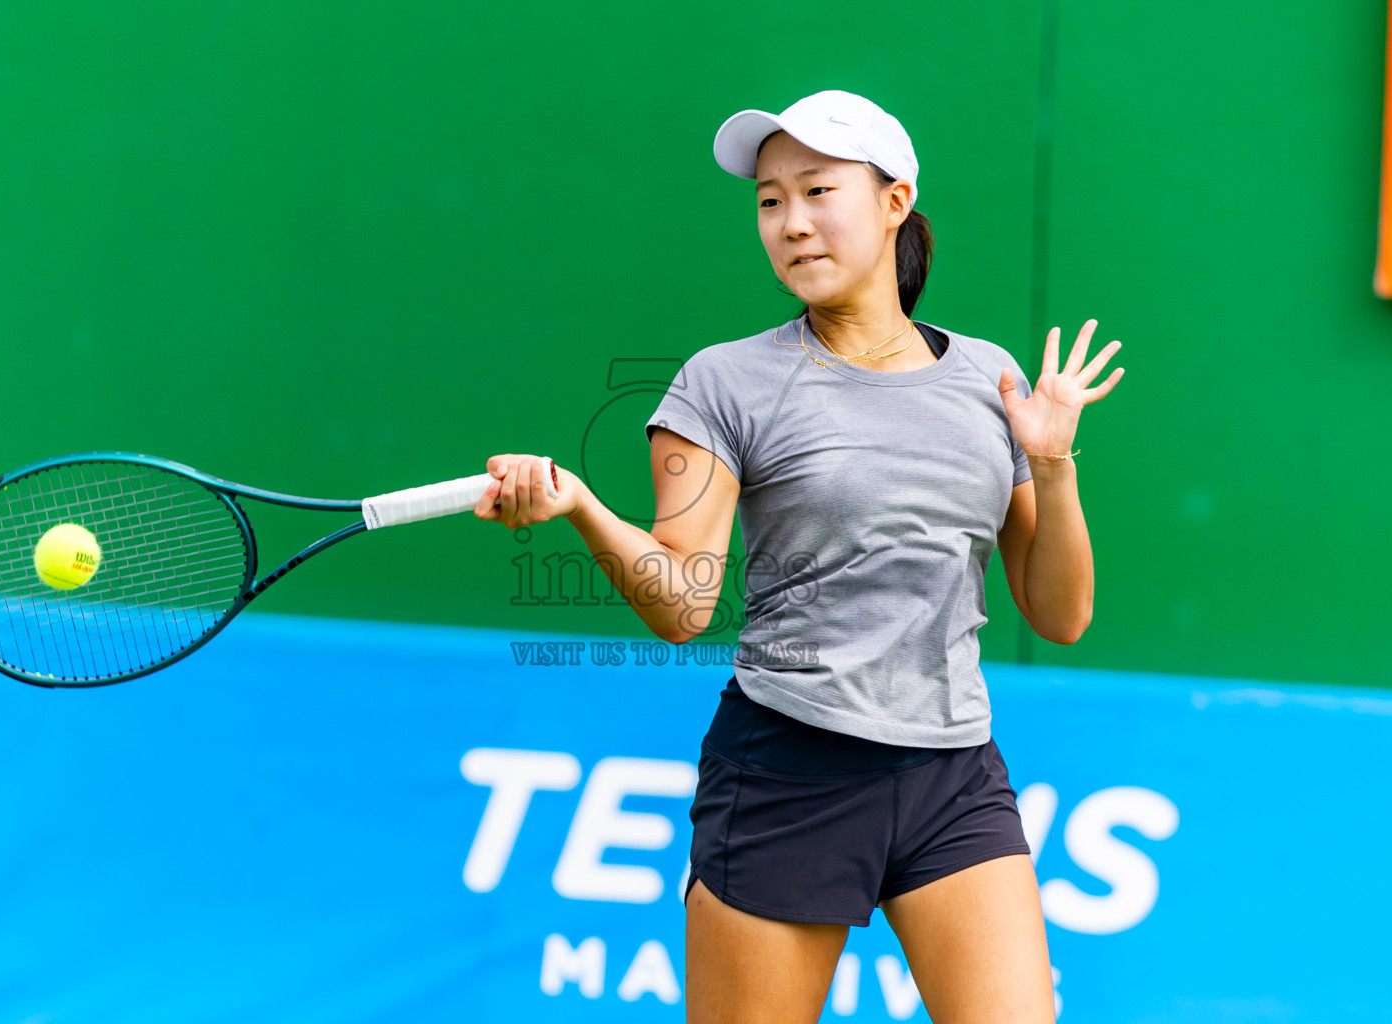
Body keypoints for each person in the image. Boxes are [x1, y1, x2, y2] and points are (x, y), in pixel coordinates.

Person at [475, 88, 1123, 1024]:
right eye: (770, 201)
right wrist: (579, 506)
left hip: (954, 775)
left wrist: (1052, 464)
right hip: (787, 773)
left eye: (818, 191)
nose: (791, 223)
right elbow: (682, 603)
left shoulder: (992, 379)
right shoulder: (723, 382)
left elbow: (1060, 616)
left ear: (895, 201)